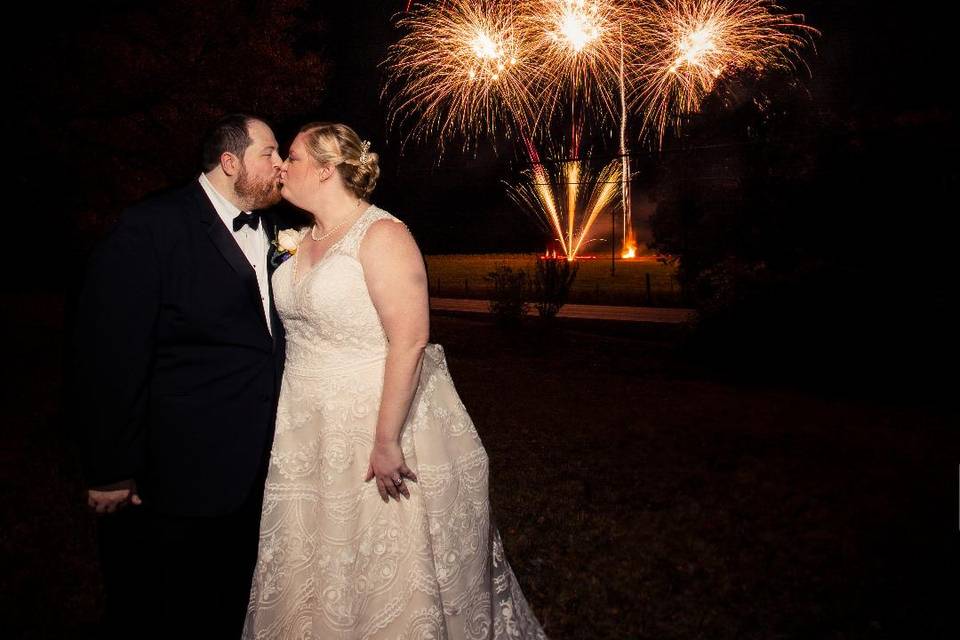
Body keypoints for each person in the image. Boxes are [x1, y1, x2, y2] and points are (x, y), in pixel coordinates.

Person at [242, 122, 547, 639]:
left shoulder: (383, 234)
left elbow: (410, 339)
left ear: (324, 169)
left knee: (382, 560)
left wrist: (385, 441)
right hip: (306, 424)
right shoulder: (302, 238)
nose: (280, 167)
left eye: (290, 157)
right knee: (312, 553)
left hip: (374, 418)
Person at [74, 114, 288, 639]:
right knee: (160, 609)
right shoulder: (152, 226)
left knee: (230, 607)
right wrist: (111, 467)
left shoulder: (279, 232)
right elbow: (109, 351)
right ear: (230, 161)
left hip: (260, 467)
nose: (281, 164)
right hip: (175, 472)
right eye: (270, 152)